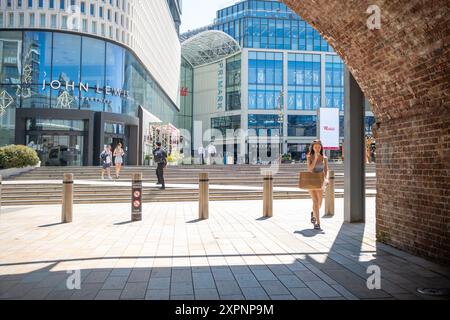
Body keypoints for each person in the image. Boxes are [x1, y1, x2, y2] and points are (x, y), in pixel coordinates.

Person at [306, 139, 329, 231]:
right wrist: (315, 158)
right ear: (313, 147)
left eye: (319, 147)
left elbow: (326, 170)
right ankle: (317, 223)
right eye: (315, 147)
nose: (317, 148)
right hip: (311, 181)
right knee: (315, 201)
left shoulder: (324, 158)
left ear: (321, 147)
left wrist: (326, 178)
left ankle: (314, 213)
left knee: (319, 203)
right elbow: (310, 169)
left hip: (320, 181)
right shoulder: (309, 157)